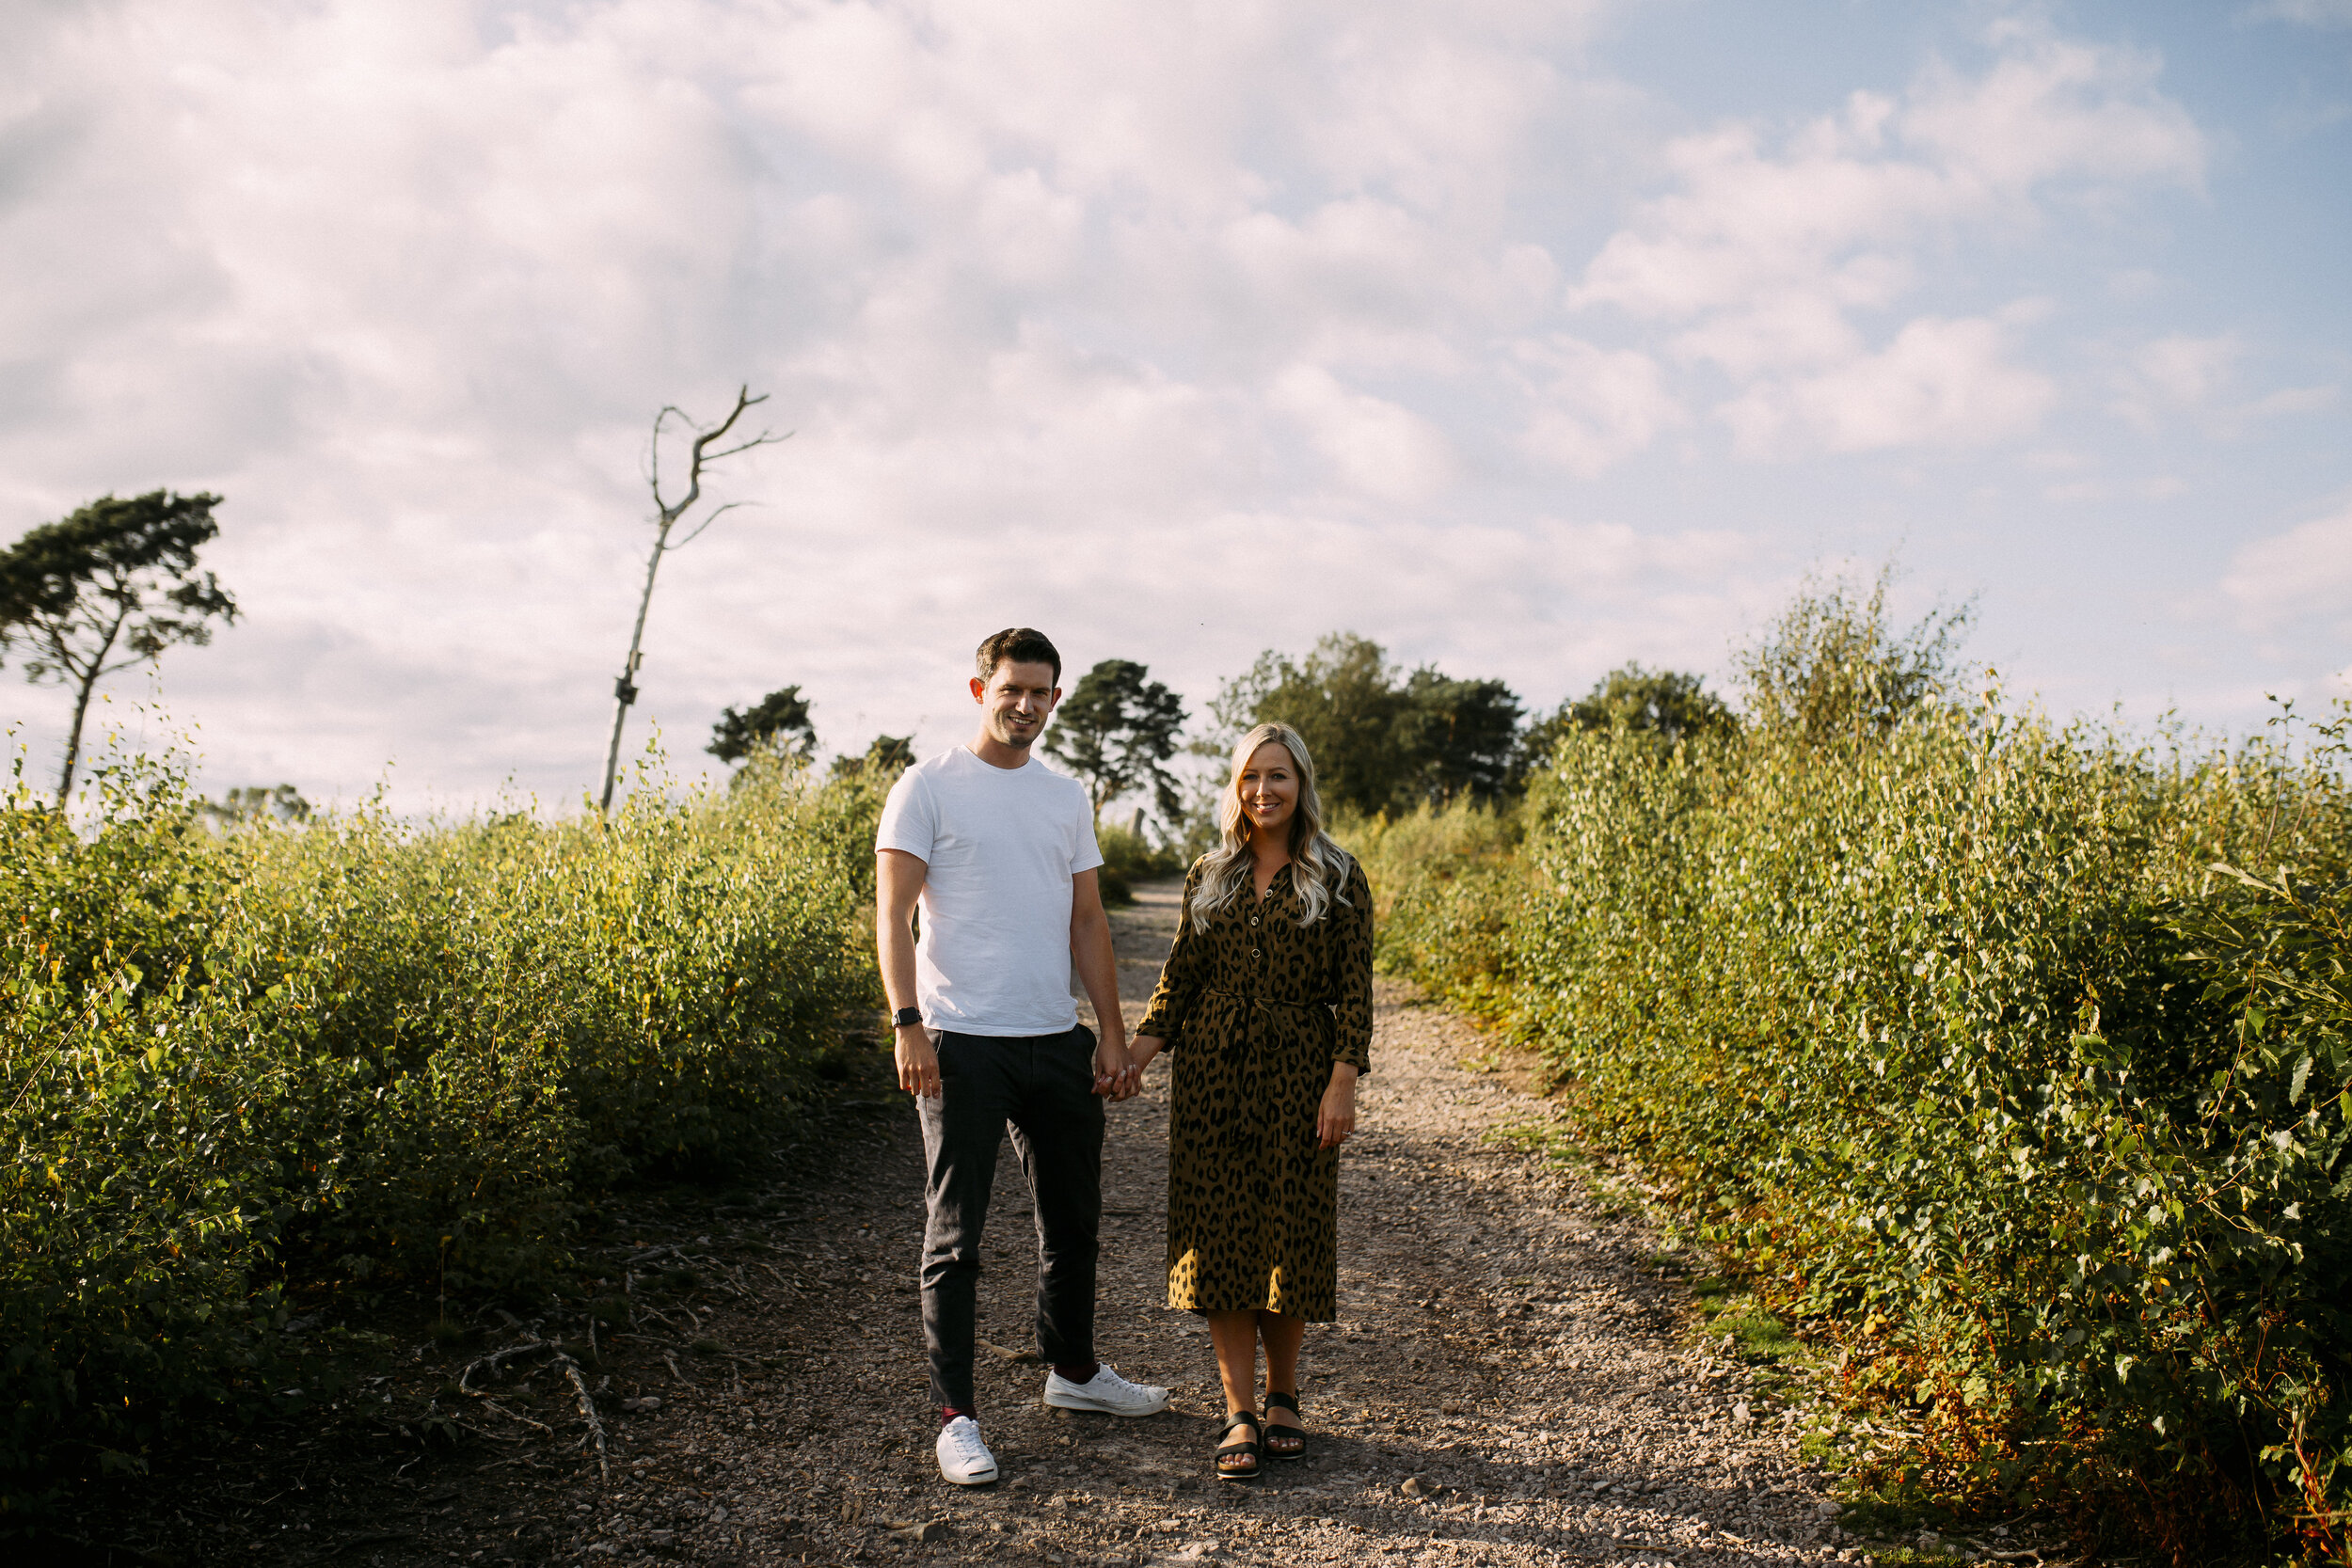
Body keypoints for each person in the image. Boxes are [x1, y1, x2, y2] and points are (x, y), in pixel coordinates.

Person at [876, 627, 1170, 1487]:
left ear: (1055, 699)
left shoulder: (1064, 795)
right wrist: (906, 1023)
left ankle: (1074, 1372)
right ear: (980, 690)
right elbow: (892, 916)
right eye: (1012, 688)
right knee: (956, 1237)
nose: (1026, 704)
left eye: (1041, 692)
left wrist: (1111, 1032)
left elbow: (1088, 921)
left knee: (1074, 1222)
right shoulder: (926, 786)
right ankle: (956, 1416)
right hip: (961, 1042)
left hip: (1053, 1039)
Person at [1127, 721, 1373, 1481]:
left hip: (1300, 1070)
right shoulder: (1211, 871)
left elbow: (1357, 991)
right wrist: (1132, 1054)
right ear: (1235, 787)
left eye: (1278, 776)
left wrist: (1342, 1079)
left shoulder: (1337, 874)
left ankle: (1284, 1394)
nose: (1263, 790)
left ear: (1302, 783)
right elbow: (1179, 978)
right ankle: (1237, 1408)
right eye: (1249, 778)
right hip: (1213, 1075)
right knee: (1220, 1235)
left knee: (1290, 1231)